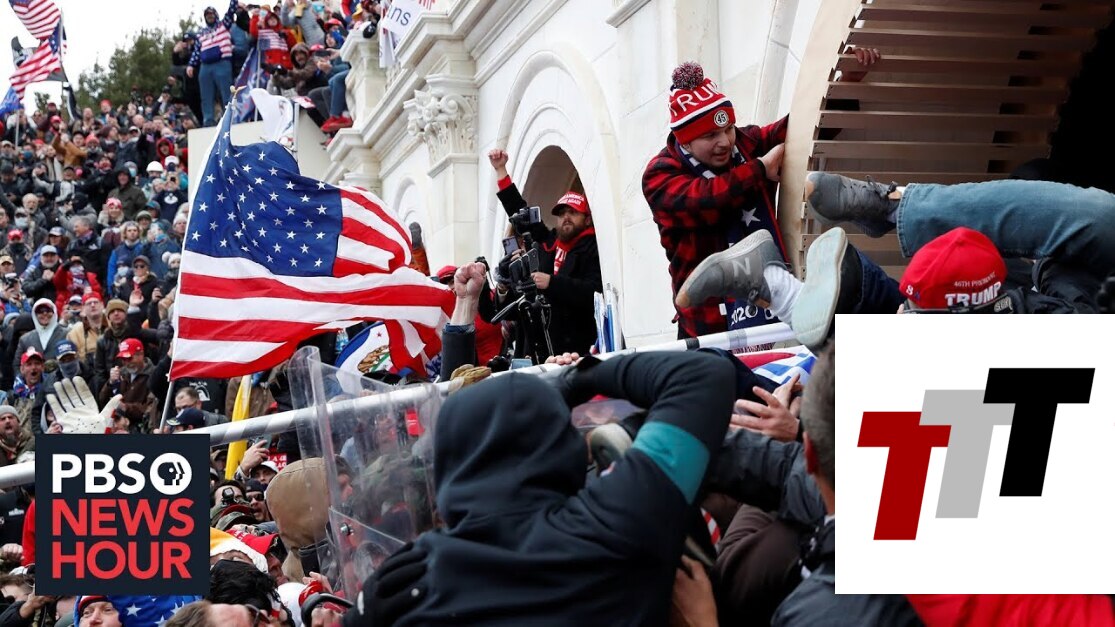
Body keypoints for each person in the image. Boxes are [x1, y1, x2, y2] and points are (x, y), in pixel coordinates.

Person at [360, 350, 735, 625]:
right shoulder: (615, 520)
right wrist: (582, 378)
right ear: (562, 445)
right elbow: (702, 374)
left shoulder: (409, 583)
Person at [643, 51, 879, 341]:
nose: (725, 142)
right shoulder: (659, 174)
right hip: (708, 326)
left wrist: (849, 80)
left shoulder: (746, 143)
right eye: (710, 136)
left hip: (775, 314)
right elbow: (704, 200)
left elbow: (804, 131)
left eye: (728, 129)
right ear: (685, 141)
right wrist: (760, 169)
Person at [486, 149, 602, 358]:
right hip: (542, 349)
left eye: (573, 212)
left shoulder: (593, 247)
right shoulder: (549, 243)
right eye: (561, 213)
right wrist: (501, 170)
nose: (566, 218)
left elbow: (593, 292)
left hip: (576, 350)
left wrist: (551, 282)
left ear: (587, 220)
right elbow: (520, 213)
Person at [187, 0, 239, 127]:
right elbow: (196, 51)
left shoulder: (223, 24)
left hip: (222, 63)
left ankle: (231, 118)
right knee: (206, 95)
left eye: (211, 14)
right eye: (207, 15)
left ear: (215, 15)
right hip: (205, 66)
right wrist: (191, 65)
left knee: (226, 92)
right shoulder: (201, 32)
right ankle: (208, 120)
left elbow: (231, 10)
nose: (209, 16)